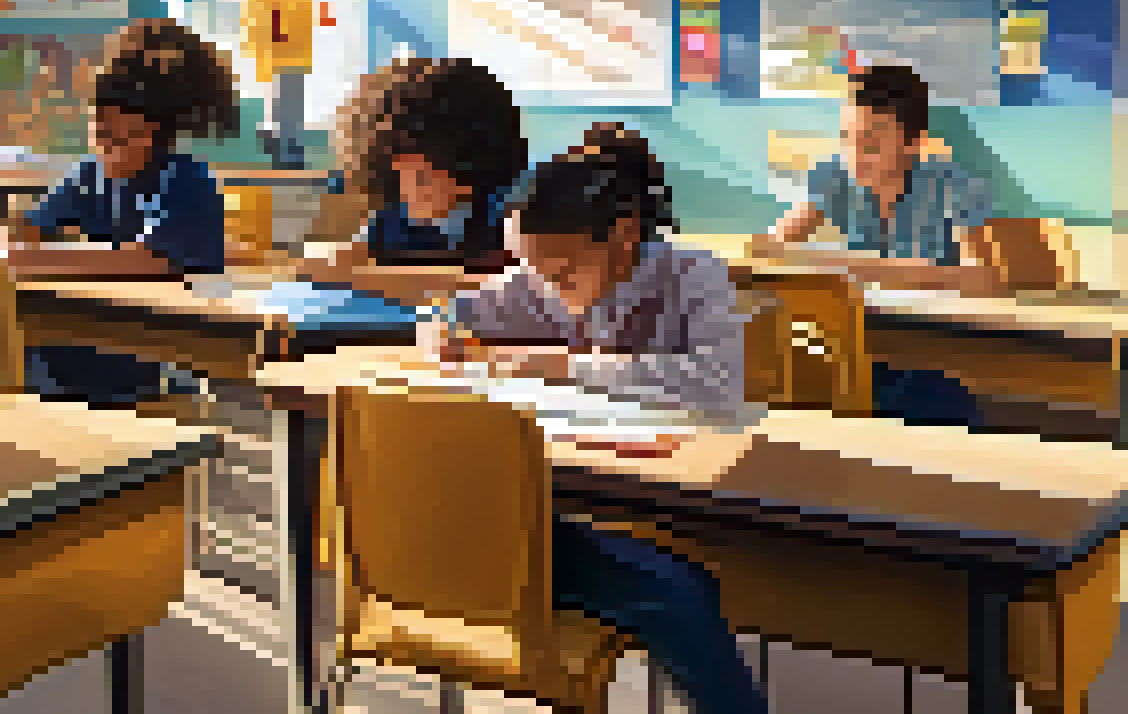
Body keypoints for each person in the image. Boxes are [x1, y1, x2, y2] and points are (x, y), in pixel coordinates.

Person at [421, 124, 766, 714]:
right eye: (532, 270)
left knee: (679, 582)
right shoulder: (539, 277)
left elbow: (717, 388)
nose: (547, 291)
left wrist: (570, 364)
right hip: (537, 512)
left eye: (561, 274)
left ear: (625, 235)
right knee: (672, 589)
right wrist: (444, 332)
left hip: (673, 491)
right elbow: (450, 313)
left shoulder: (693, 275)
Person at [2, 18, 241, 407]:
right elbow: (28, 230)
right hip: (80, 347)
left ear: (153, 134)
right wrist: (18, 239)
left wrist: (39, 258)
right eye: (98, 136)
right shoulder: (90, 174)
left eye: (118, 139)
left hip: (152, 358)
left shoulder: (187, 180)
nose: (104, 150)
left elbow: (151, 260)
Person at [751, 64, 992, 428]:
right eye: (849, 138)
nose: (856, 155)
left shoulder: (952, 185)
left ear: (915, 143)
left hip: (932, 348)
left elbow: (985, 279)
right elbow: (769, 250)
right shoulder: (835, 177)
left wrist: (862, 267)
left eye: (873, 144)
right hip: (855, 343)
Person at [300, 58, 528, 305]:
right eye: (397, 163)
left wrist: (363, 278)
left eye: (421, 177)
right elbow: (348, 260)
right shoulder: (395, 219)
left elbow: (492, 286)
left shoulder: (508, 216)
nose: (402, 180)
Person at [244, 0, 321, 169]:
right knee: (283, 106)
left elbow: (305, 10)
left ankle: (290, 153)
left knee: (293, 106)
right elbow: (262, 14)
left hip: (296, 52)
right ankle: (286, 154)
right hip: (276, 52)